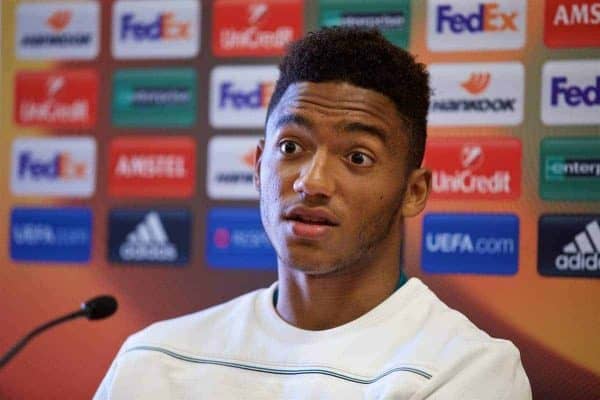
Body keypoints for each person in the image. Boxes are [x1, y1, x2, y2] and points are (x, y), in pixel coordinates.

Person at [94, 27, 531, 399]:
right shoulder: (153, 361)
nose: (313, 181)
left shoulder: (465, 372)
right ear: (259, 166)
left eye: (358, 157)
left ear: (413, 192)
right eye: (291, 148)